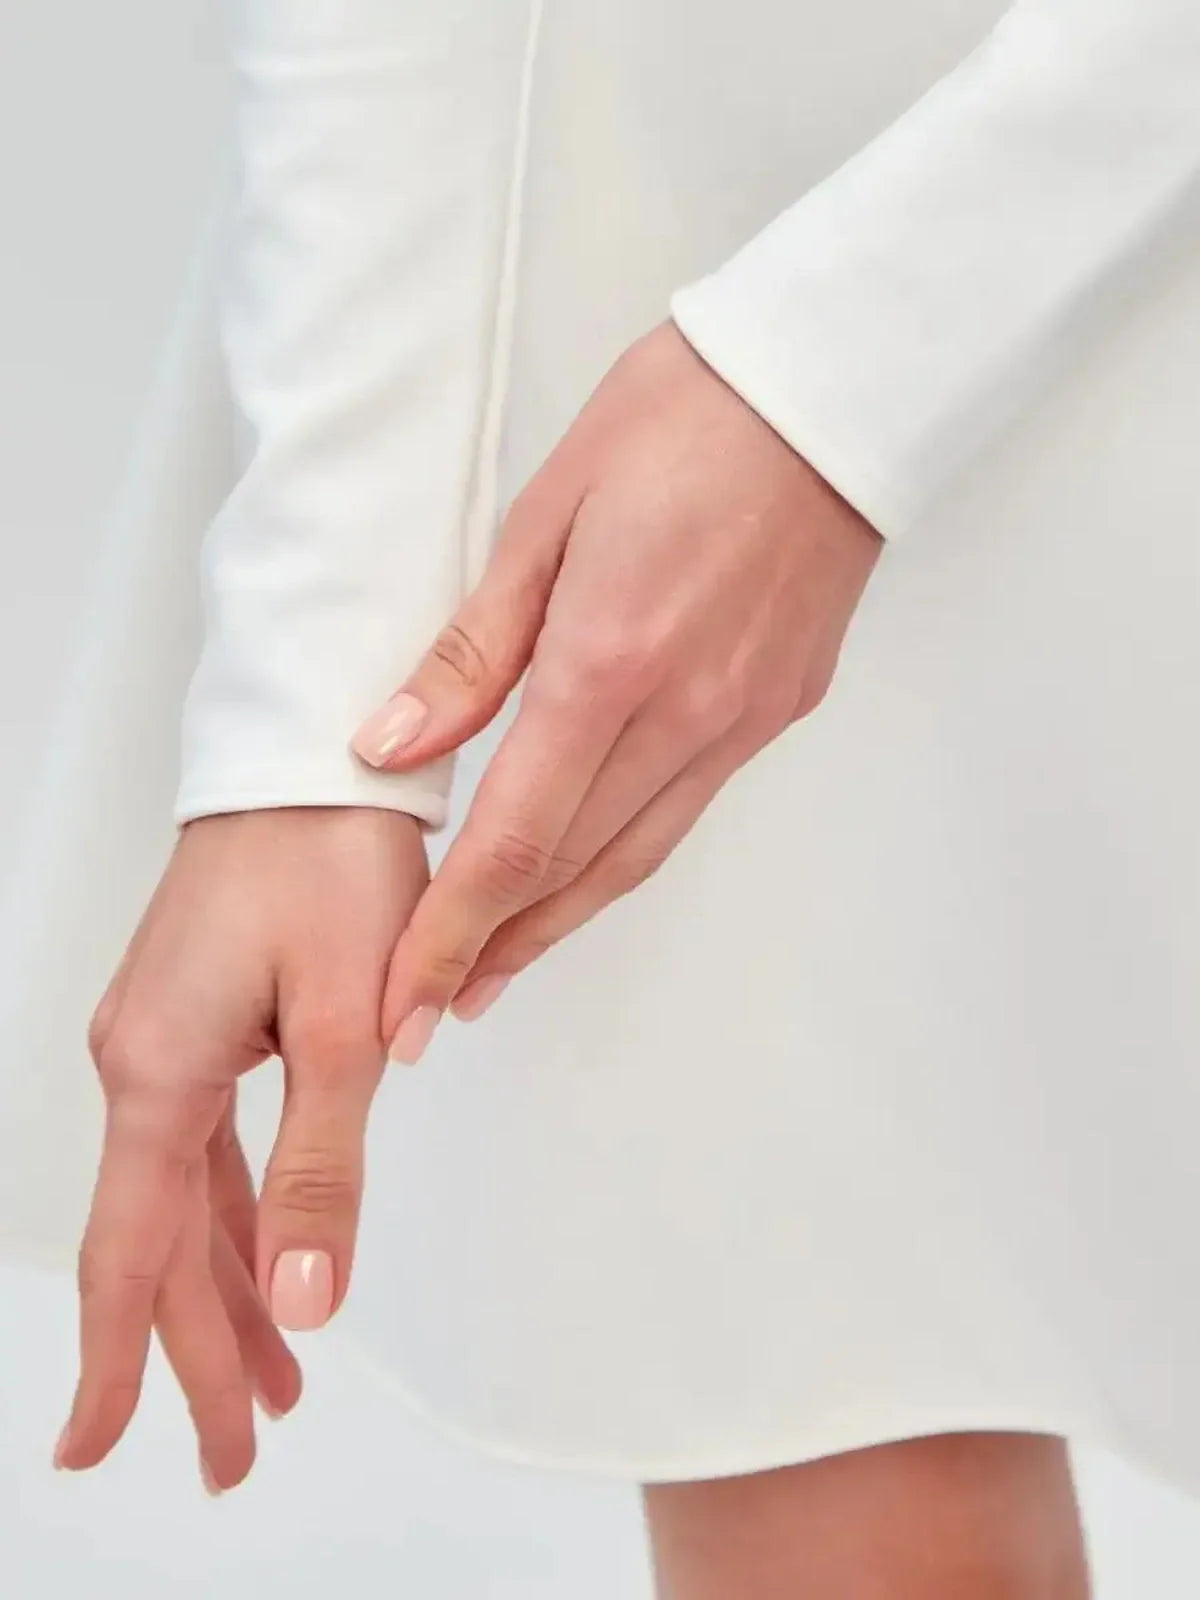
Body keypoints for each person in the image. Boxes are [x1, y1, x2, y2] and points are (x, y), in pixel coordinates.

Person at [9, 0, 1199, 1591]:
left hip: (883, 322)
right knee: (822, 1381)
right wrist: (326, 713)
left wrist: (838, 376)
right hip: (663, 338)